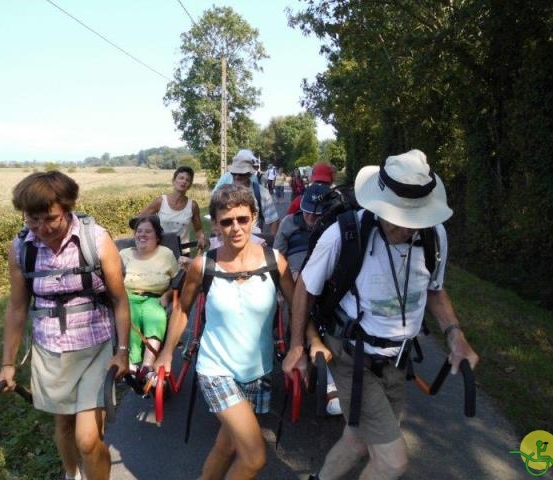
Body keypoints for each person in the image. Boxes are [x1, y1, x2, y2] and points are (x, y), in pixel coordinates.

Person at [283, 150, 480, 480]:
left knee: (357, 440)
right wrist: (298, 347)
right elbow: (304, 287)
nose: (404, 228)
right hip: (351, 356)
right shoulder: (345, 234)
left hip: (396, 363)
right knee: (392, 462)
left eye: (412, 221)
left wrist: (455, 335)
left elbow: (433, 288)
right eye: (397, 218)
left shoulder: (435, 236)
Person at [154, 185, 326, 479]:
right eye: (226, 221)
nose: (235, 228)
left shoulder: (275, 262)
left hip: (258, 371)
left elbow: (298, 306)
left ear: (254, 217)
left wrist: (312, 341)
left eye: (242, 219)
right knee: (255, 457)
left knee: (228, 445)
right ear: (216, 224)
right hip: (215, 368)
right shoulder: (203, 265)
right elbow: (183, 309)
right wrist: (167, 354)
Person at [0, 171, 130, 480]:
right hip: (50, 350)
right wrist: (8, 363)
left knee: (87, 438)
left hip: (95, 346)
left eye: (51, 219)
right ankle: (73, 475)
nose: (42, 228)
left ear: (67, 208)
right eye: (33, 220)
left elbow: (119, 300)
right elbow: (16, 308)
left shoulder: (96, 239)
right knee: (63, 427)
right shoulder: (21, 249)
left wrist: (122, 351)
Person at [274, 184, 341, 416]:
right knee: (296, 285)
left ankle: (325, 356)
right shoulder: (289, 224)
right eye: (307, 211)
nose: (311, 217)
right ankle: (307, 343)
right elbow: (277, 256)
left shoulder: (335, 225)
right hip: (294, 269)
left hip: (325, 270)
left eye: (316, 213)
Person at [120, 215, 180, 390]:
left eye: (148, 231)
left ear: (157, 236)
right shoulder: (124, 254)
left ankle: (147, 365)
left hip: (155, 297)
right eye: (139, 231)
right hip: (128, 296)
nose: (142, 235)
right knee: (128, 316)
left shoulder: (165, 254)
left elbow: (178, 280)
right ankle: (133, 364)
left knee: (155, 315)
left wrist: (168, 295)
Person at [139, 166, 207, 256]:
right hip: (160, 251)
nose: (184, 181)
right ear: (173, 181)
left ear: (189, 185)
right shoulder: (160, 201)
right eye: (181, 178)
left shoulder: (193, 205)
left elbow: (198, 229)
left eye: (187, 180)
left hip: (183, 252)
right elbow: (139, 220)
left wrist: (201, 238)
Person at [228, 153, 280, 236]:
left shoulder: (262, 193)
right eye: (234, 173)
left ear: (249, 174)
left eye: (241, 173)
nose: (237, 177)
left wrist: (270, 244)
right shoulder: (224, 192)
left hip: (252, 241)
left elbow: (274, 221)